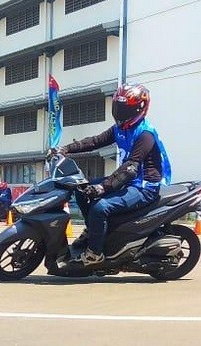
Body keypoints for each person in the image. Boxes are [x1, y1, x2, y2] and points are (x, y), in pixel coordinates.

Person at [51, 84, 171, 266]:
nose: (120, 113)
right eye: (118, 108)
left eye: (126, 109)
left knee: (100, 207)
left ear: (139, 108)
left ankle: (95, 254)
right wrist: (65, 149)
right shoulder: (119, 128)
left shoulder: (146, 134)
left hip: (143, 187)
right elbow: (95, 141)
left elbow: (130, 167)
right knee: (81, 190)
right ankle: (93, 231)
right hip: (127, 180)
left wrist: (103, 187)